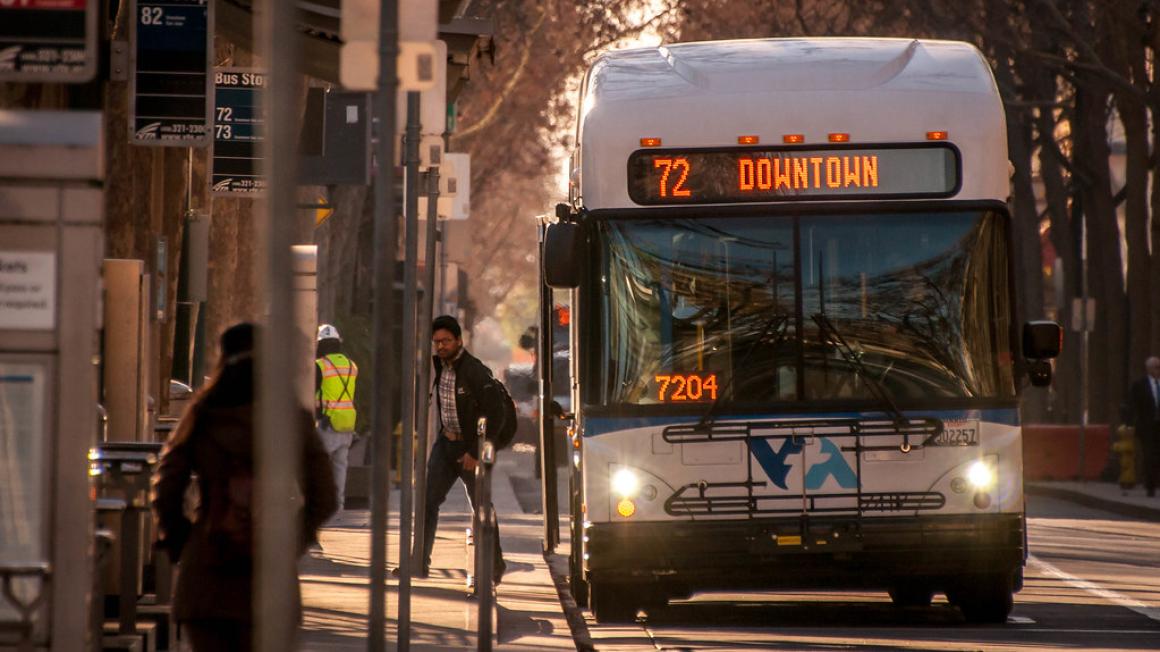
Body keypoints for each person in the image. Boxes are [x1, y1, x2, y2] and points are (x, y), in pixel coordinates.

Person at [151, 323, 337, 651]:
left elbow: (166, 488)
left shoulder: (202, 414)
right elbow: (325, 495)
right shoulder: (289, 417)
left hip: (206, 583)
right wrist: (292, 541)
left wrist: (186, 543)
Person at [418, 315, 506, 580]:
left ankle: (494, 566)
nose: (441, 346)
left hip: (470, 449)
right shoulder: (440, 367)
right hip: (445, 444)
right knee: (427, 502)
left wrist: (476, 452)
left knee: (481, 507)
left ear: (459, 340)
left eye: (446, 341)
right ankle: (419, 562)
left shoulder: (475, 371)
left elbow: (497, 414)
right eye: (437, 342)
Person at [314, 324, 359, 511]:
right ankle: (338, 505)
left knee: (320, 467)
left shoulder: (320, 366)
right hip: (347, 422)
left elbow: (312, 390)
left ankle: (320, 505)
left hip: (328, 422)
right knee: (340, 466)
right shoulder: (351, 365)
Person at [1128, 356, 1160, 497]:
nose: (1158, 370)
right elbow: (1133, 406)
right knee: (1149, 456)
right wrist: (1132, 424)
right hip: (1147, 428)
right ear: (1149, 369)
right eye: (1156, 367)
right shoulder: (1140, 385)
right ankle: (1150, 486)